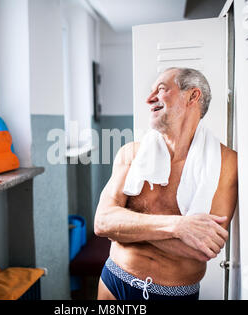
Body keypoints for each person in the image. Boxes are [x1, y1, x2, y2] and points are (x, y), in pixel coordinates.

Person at [94, 67, 238, 300]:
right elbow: (102, 222)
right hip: (114, 281)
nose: (149, 99)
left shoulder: (226, 163)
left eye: (161, 89)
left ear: (193, 96)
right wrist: (179, 227)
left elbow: (203, 248)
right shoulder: (130, 153)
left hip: (173, 294)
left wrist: (125, 226)